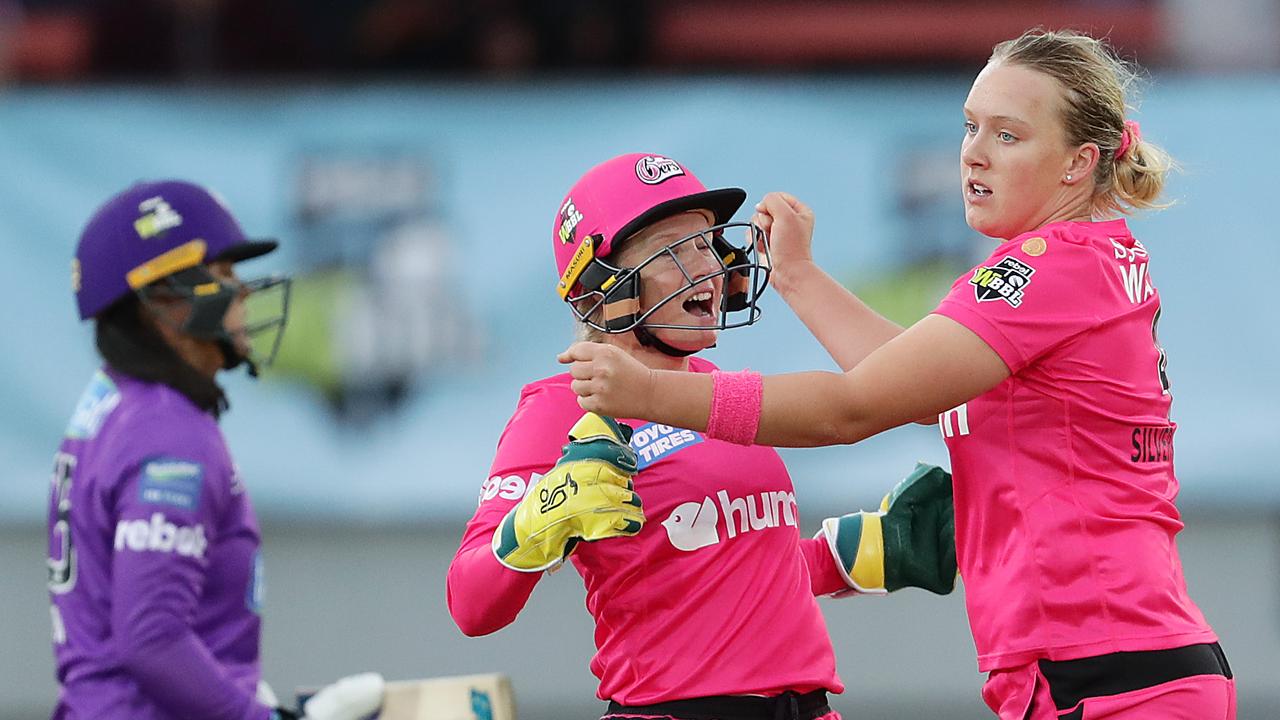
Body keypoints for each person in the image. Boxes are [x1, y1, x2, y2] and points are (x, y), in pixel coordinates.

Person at [559, 31, 1236, 720]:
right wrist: (796, 275)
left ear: (1077, 164)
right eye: (972, 127)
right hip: (1111, 670)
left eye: (1009, 135)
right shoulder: (1081, 259)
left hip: (1108, 679)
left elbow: (852, 409)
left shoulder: (1046, 268)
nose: (973, 152)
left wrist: (650, 394)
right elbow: (910, 387)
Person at [446, 153, 957, 720]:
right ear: (602, 285)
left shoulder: (719, 393)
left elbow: (728, 567)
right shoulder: (561, 406)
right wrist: (541, 517)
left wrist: (858, 554)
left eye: (708, 245)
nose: (709, 268)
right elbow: (471, 604)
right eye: (675, 249)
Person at [47, 180, 381, 720]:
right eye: (224, 274)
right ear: (164, 298)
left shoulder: (111, 407)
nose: (245, 293)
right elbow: (151, 639)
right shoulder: (168, 433)